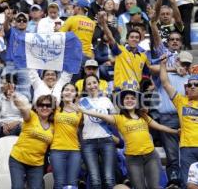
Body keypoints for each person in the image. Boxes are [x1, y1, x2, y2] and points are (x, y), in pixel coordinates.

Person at [73, 80, 179, 188]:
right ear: (122, 102)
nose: (129, 100)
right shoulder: (119, 118)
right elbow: (101, 116)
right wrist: (84, 111)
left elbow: (159, 126)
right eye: (126, 98)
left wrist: (176, 131)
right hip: (133, 159)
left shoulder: (143, 115)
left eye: (132, 98)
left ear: (137, 101)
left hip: (151, 156)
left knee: (154, 187)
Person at [155, 51, 193, 188]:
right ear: (176, 61)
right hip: (168, 117)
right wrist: (169, 67)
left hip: (187, 118)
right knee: (172, 154)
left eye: (187, 64)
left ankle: (188, 182)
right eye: (182, 62)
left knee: (187, 153)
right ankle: (174, 181)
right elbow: (150, 68)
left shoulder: (192, 80)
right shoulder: (165, 74)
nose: (184, 66)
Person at [99, 11, 155, 91]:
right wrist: (104, 24)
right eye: (132, 37)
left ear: (139, 40)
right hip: (120, 89)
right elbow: (110, 37)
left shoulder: (144, 56)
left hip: (136, 91)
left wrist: (152, 85)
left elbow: (147, 74)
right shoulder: (120, 50)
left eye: (137, 37)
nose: (134, 39)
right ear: (127, 40)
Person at [9, 93, 56, 189]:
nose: (44, 107)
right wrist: (15, 98)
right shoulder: (31, 116)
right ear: (36, 107)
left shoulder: (53, 126)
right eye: (41, 105)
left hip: (36, 164)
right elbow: (23, 109)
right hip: (18, 159)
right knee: (17, 187)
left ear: (52, 109)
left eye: (48, 105)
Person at [79, 74, 117, 188]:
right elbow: (78, 121)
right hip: (88, 142)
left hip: (107, 140)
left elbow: (115, 120)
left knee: (109, 178)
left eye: (94, 83)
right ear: (85, 87)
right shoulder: (81, 101)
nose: (92, 86)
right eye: (89, 84)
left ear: (98, 84)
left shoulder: (106, 100)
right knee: (95, 180)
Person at [50, 83, 83, 188]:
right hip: (57, 149)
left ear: (75, 95)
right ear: (62, 93)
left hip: (74, 150)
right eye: (66, 90)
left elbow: (82, 129)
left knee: (72, 182)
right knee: (59, 182)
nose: (69, 92)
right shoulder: (55, 109)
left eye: (72, 90)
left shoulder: (79, 111)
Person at [0, 73, 27, 154]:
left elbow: (26, 116)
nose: (2, 85)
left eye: (5, 83)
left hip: (18, 123)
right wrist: (3, 125)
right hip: (3, 124)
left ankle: (24, 151)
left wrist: (16, 122)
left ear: (13, 85)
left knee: (24, 126)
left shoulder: (23, 98)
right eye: (2, 83)